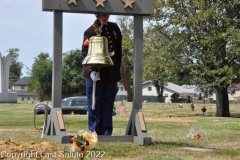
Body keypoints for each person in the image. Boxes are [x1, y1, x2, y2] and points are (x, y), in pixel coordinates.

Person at [81, 14, 122, 135]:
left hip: (111, 74)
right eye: (103, 15)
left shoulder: (114, 28)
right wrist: (91, 70)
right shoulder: (90, 32)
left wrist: (116, 70)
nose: (105, 17)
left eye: (107, 15)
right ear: (97, 15)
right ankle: (94, 132)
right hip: (95, 74)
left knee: (108, 106)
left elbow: (118, 51)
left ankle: (106, 133)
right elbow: (85, 53)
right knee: (94, 105)